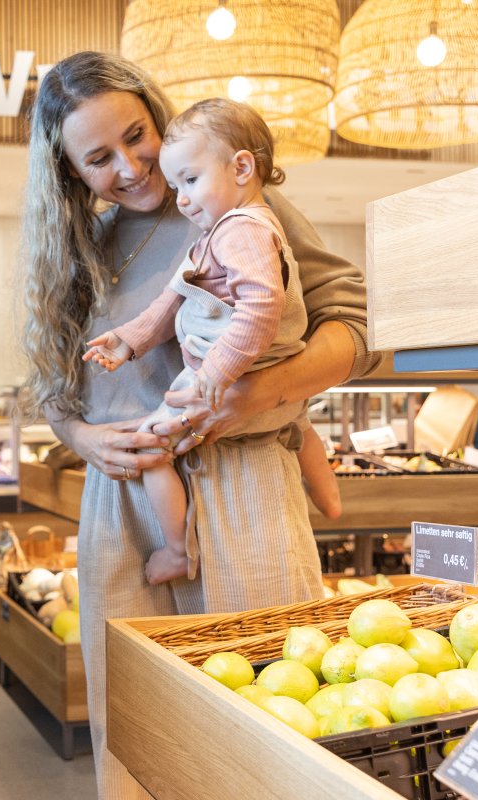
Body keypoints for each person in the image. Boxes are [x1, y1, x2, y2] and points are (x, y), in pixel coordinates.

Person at [20, 51, 378, 797]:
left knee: (274, 719)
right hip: (122, 510)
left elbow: (361, 331)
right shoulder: (78, 251)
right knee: (138, 741)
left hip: (243, 484)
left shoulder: (245, 211)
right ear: (71, 175)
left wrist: (254, 395)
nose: (129, 165)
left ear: (159, 116)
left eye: (137, 134)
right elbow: (56, 392)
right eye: (98, 158)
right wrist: (85, 440)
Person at [83, 98, 344, 585]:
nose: (181, 198)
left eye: (190, 180)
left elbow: (261, 306)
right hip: (271, 369)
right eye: (177, 184)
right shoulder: (235, 229)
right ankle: (330, 500)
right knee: (298, 421)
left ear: (242, 167)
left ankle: (178, 549)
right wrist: (129, 341)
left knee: (149, 449)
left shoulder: (238, 231)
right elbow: (172, 300)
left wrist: (213, 374)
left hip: (234, 371)